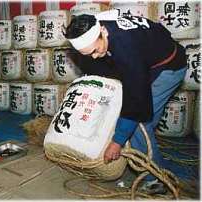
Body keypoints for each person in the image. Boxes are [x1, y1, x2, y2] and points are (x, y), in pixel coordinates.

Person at [64, 9, 188, 193]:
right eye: (88, 54)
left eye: (96, 51)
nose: (95, 56)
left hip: (169, 67)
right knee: (143, 122)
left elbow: (136, 98)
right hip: (152, 57)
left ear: (103, 32)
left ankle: (158, 178)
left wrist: (117, 141)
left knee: (138, 124)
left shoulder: (126, 46)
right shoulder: (96, 23)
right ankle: (150, 157)